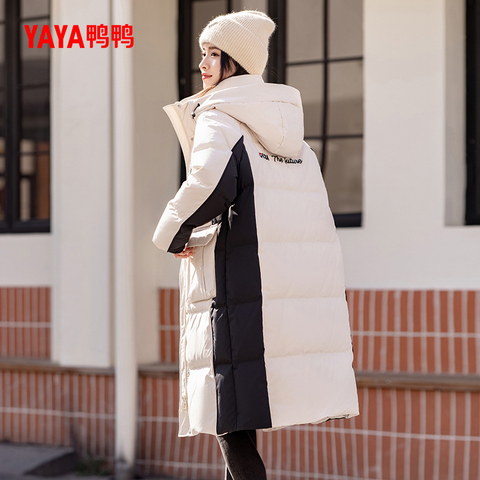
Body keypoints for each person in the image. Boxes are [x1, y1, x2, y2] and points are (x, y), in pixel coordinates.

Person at [152, 10, 359, 480]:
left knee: (228, 410)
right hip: (272, 287)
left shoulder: (220, 117)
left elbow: (208, 185)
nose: (202, 63)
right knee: (239, 409)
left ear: (236, 62)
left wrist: (170, 232)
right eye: (202, 52)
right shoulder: (292, 137)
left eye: (214, 54)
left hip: (234, 281)